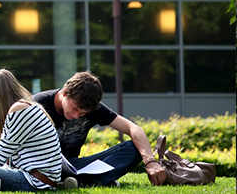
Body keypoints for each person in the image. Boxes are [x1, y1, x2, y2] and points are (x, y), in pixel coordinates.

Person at [32, 71, 166, 186]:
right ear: (65, 93)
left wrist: (150, 161)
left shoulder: (93, 107)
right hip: (42, 167)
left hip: (74, 167)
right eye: (75, 108)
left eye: (83, 113)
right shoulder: (36, 104)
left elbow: (133, 128)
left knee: (134, 147)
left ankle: (81, 181)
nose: (76, 116)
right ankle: (94, 181)